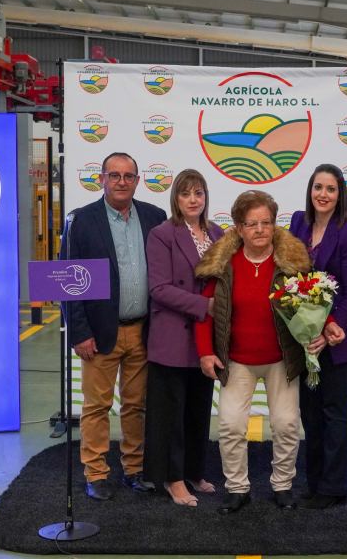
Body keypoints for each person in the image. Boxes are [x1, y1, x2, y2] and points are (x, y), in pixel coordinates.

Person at [195, 190, 311, 515]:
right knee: (230, 426)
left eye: (266, 223)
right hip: (236, 361)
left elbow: (313, 302)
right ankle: (237, 489)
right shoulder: (223, 267)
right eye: (252, 224)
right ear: (239, 228)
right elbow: (205, 313)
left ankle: (283, 485)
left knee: (287, 425)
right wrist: (206, 352)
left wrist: (322, 328)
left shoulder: (290, 266)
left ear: (274, 225)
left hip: (281, 360)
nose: (260, 229)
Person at [65, 151, 166, 501]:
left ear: (137, 181)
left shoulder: (155, 217)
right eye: (115, 175)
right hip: (98, 332)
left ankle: (134, 470)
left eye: (128, 176)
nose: (122, 182)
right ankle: (96, 473)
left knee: (137, 405)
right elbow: (69, 281)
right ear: (102, 179)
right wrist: (79, 332)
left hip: (143, 331)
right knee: (96, 407)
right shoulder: (82, 221)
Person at [288, 164, 347, 509]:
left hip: (340, 337)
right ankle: (315, 480)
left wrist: (330, 327)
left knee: (335, 412)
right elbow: (289, 278)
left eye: (330, 189)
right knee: (310, 412)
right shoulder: (297, 223)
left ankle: (334, 487)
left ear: (340, 195)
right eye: (318, 187)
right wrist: (307, 327)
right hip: (306, 337)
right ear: (310, 191)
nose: (323, 194)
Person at [144, 169, 224, 507]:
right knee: (171, 415)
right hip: (172, 337)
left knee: (198, 410)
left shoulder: (218, 233)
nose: (193, 199)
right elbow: (159, 289)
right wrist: (204, 305)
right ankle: (173, 479)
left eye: (199, 193)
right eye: (186, 193)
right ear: (175, 198)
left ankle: (194, 470)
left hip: (205, 339)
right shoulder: (162, 234)